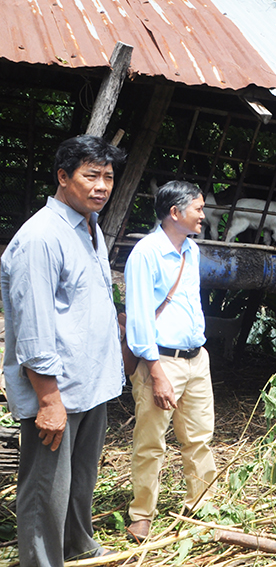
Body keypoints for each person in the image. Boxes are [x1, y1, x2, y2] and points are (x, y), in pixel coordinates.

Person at [1, 135, 126, 567]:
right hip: (56, 388)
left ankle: (78, 543)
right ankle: (40, 561)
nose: (102, 186)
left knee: (80, 479)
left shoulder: (89, 228)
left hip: (90, 380)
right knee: (45, 487)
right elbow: (33, 329)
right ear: (62, 177)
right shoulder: (40, 237)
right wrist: (49, 400)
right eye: (90, 175)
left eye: (108, 177)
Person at [125, 180, 216, 542]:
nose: (203, 215)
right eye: (198, 208)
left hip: (196, 359)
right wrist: (156, 372)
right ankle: (142, 513)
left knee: (199, 437)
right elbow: (139, 318)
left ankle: (202, 505)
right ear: (175, 213)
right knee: (150, 441)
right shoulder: (145, 254)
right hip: (161, 361)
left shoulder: (190, 251)